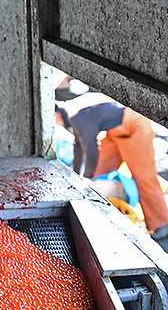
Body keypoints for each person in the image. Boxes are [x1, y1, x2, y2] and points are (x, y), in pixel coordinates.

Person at [56, 88, 168, 251]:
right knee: (98, 173)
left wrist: (86, 177)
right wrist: (75, 177)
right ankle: (99, 216)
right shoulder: (71, 111)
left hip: (134, 125)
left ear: (56, 115)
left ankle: (161, 224)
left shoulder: (77, 115)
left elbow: (91, 151)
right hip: (114, 132)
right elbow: (79, 145)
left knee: (143, 177)